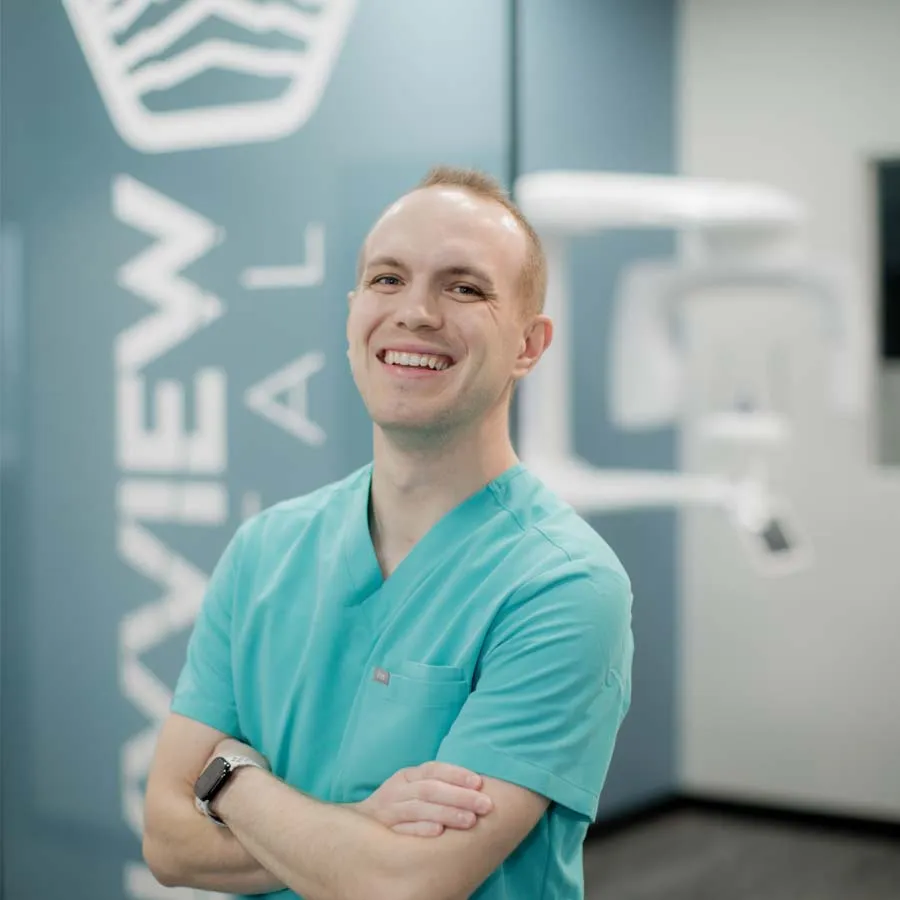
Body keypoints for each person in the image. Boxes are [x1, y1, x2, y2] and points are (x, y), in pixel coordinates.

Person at [142, 166, 634, 900]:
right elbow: (166, 840)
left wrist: (229, 782)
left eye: (464, 287)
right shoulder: (265, 552)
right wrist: (353, 827)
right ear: (352, 316)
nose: (416, 312)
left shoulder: (562, 586)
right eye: (387, 279)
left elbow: (404, 886)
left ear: (530, 345)